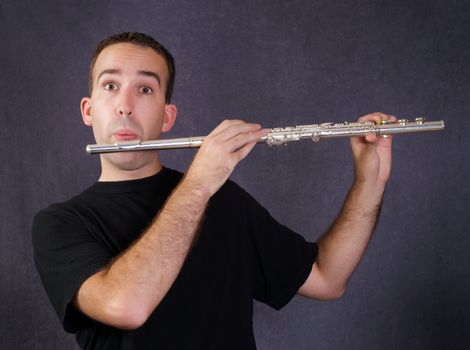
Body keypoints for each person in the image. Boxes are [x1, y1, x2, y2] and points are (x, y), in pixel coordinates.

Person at [32, 32, 397, 350]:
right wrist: (199, 183)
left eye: (145, 88)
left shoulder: (221, 199)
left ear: (167, 116)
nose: (126, 105)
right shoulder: (61, 224)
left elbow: (327, 278)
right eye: (110, 86)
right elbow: (125, 306)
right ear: (88, 109)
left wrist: (369, 180)